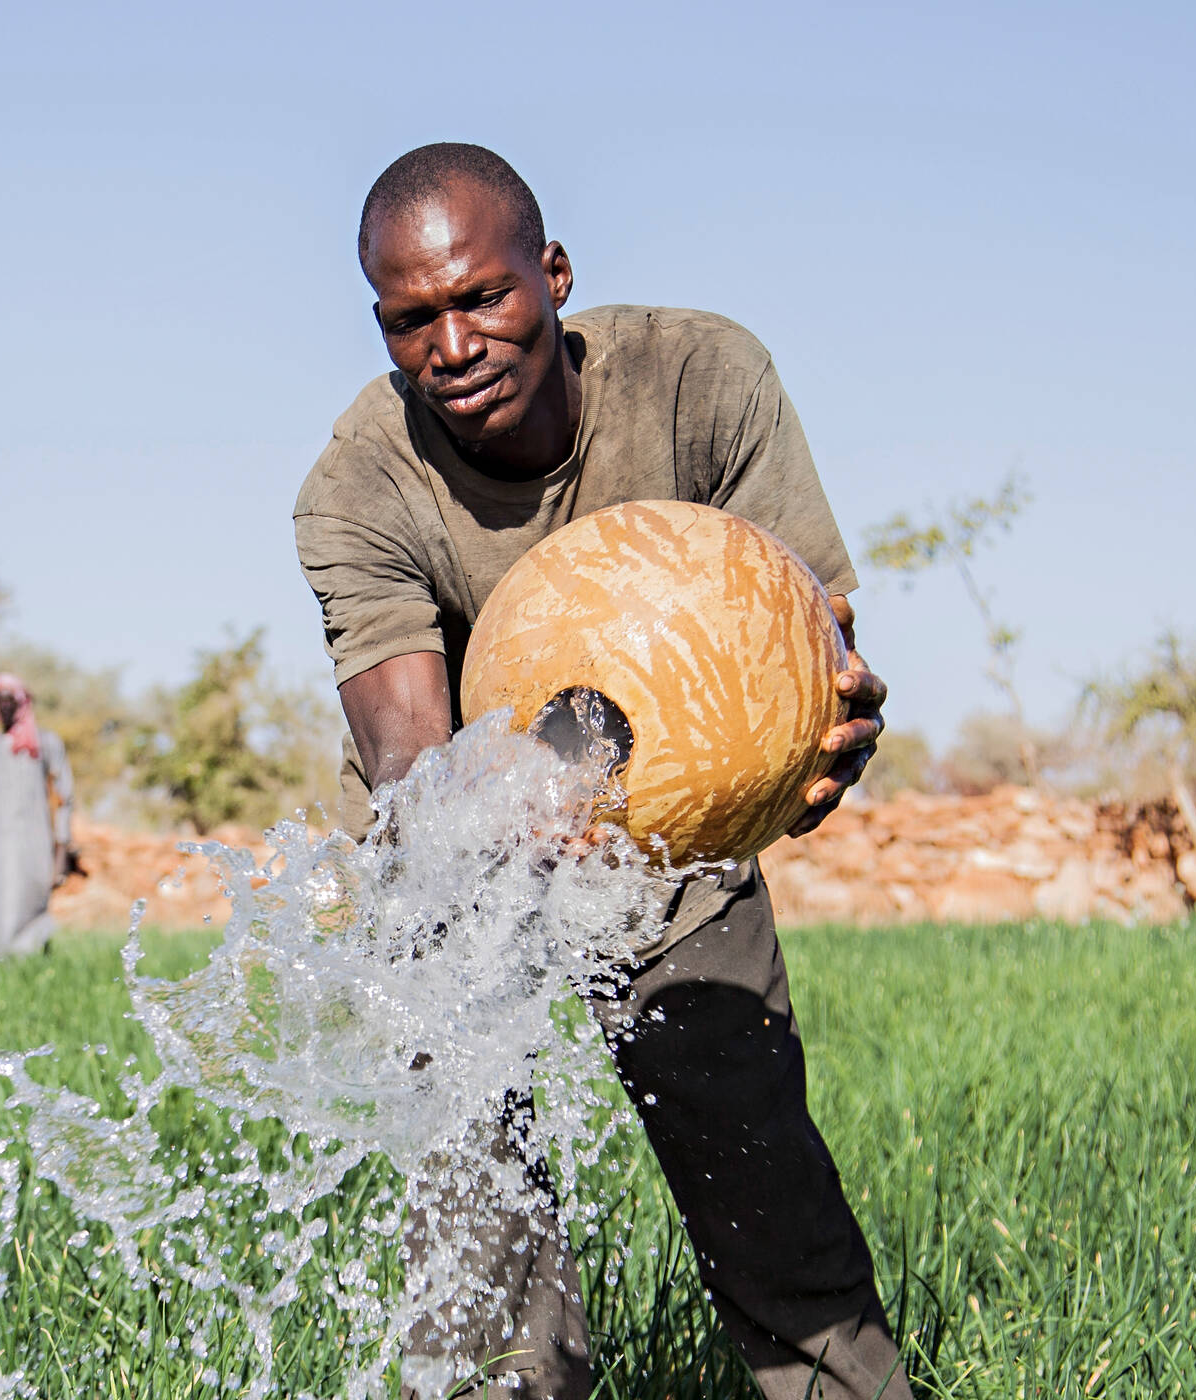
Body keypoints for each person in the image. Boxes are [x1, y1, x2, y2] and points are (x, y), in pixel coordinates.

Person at [294, 144, 902, 1399]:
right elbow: (417, 780)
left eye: (483, 298)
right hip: (464, 843)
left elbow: (808, 636)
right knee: (474, 1207)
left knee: (745, 1141)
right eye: (413, 320)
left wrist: (824, 731)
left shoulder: (700, 380)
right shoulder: (358, 484)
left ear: (553, 274)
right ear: (381, 327)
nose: (453, 344)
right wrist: (539, 787)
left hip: (675, 823)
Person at [0, 672, 75, 959]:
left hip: (35, 844)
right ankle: (2, 975)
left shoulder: (47, 745)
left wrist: (61, 851)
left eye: (9, 700)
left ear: (21, 703)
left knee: (32, 909)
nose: (3, 707)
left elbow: (64, 798)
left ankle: (35, 971)